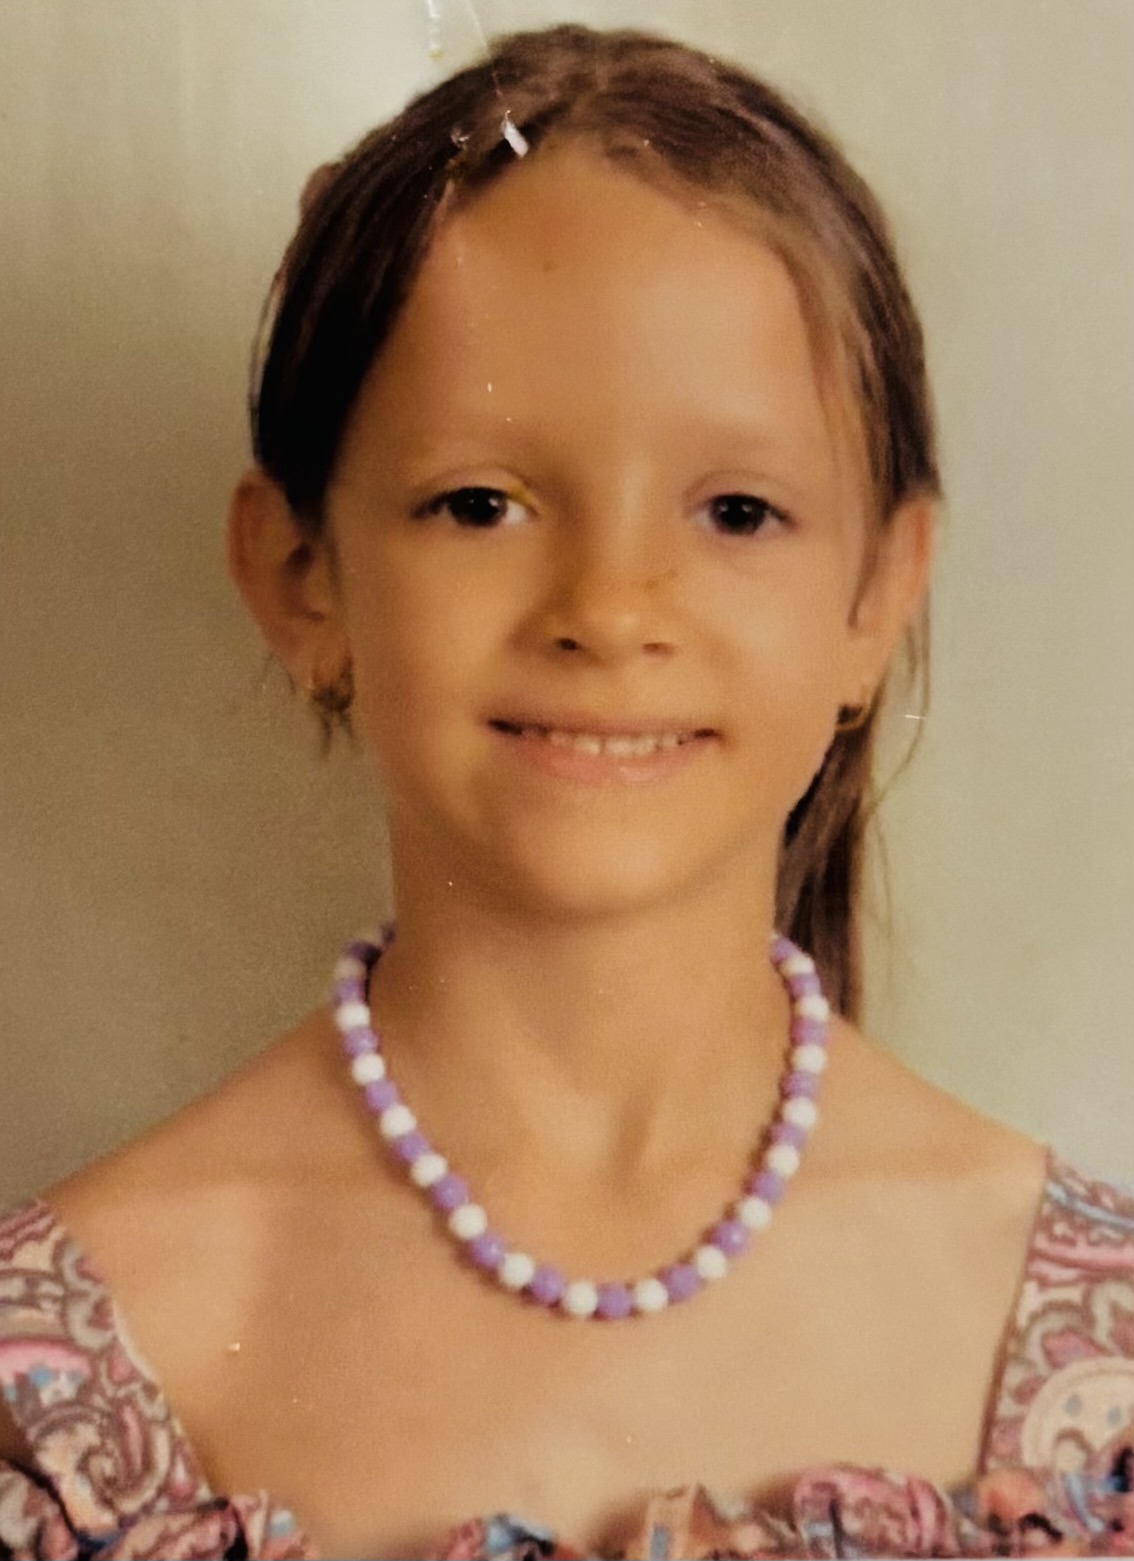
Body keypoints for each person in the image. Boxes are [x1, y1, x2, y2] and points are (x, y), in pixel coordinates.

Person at [1, 23, 1131, 1561]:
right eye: (480, 503)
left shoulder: (1094, 1371)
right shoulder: (62, 1401)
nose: (608, 607)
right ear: (300, 576)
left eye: (736, 510)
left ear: (879, 594)